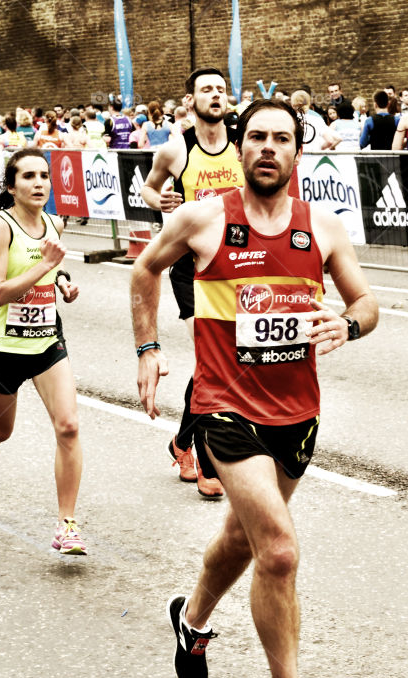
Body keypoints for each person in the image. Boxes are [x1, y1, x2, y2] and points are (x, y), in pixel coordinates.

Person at [130, 99, 378, 678]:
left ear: (299, 152)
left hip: (296, 414)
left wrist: (348, 324)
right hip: (225, 406)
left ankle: (192, 622)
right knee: (279, 550)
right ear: (239, 147)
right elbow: (146, 269)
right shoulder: (203, 219)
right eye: (258, 137)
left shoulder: (320, 228)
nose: (269, 147)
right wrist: (147, 349)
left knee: (241, 538)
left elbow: (367, 302)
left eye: (283, 138)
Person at [0, 148, 85, 555]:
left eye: (44, 176)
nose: (39, 183)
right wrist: (44, 265)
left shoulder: (54, 223)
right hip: (4, 345)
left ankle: (66, 525)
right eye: (28, 176)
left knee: (68, 426)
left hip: (47, 339)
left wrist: (63, 280)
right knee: (1, 430)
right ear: (10, 186)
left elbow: (51, 266)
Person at [140, 67, 246, 500]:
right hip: (191, 267)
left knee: (227, 362)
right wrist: (159, 200)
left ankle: (181, 441)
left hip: (239, 262)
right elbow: (148, 188)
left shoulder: (244, 144)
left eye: (221, 89)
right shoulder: (175, 150)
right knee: (212, 360)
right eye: (206, 90)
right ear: (191, 101)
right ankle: (205, 458)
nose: (215, 95)